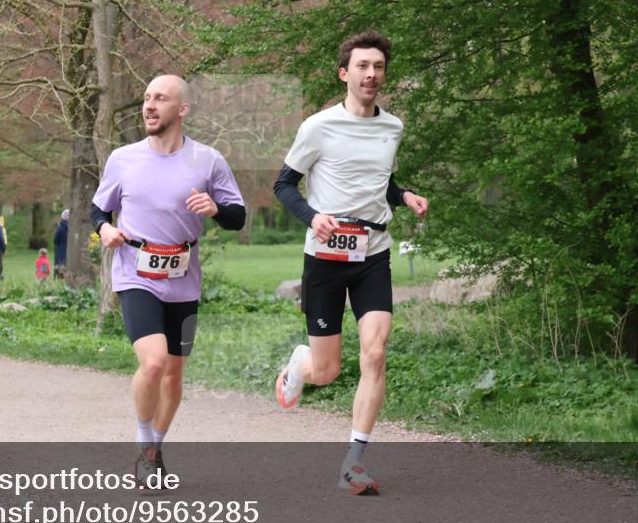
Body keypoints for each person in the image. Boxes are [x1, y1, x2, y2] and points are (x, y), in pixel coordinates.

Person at [273, 31, 429, 495]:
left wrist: (404, 196)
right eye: (362, 66)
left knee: (376, 353)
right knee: (328, 371)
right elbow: (284, 185)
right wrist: (313, 216)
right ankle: (300, 365)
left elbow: (379, 182)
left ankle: (353, 463)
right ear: (345, 73)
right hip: (324, 257)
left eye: (378, 67)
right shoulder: (318, 127)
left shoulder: (392, 127)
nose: (371, 74)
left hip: (372, 255)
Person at [91, 74, 246, 488]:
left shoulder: (208, 160)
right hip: (134, 271)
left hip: (183, 276)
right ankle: (144, 446)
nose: (149, 105)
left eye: (160, 98)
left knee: (174, 375)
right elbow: (98, 210)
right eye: (145, 98)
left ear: (183, 109)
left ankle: (156, 447)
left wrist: (215, 209)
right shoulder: (123, 158)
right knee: (154, 362)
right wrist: (105, 230)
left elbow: (237, 217)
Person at [53, 209, 69, 278]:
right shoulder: (73, 227)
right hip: (70, 249)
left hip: (61, 249)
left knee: (60, 264)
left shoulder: (60, 228)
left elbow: (55, 240)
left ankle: (60, 276)